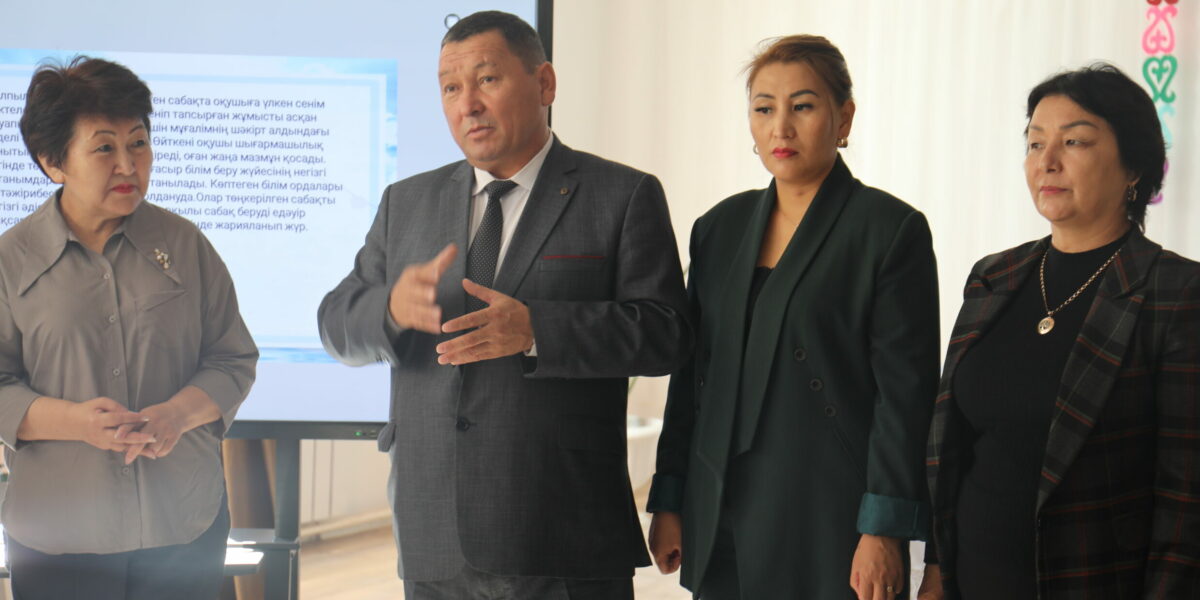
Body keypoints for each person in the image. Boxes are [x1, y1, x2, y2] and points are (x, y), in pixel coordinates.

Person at [317, 10, 690, 599]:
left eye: (486, 79)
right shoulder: (405, 202)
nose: (467, 104)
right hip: (435, 533)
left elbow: (665, 333)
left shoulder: (622, 194)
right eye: (450, 88)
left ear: (545, 84)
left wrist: (538, 329)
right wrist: (388, 309)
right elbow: (335, 323)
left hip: (562, 531)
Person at [647, 35, 940, 600]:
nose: (780, 127)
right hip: (720, 512)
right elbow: (690, 379)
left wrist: (882, 528)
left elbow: (905, 397)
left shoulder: (888, 230)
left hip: (828, 519)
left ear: (843, 118)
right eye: (764, 109)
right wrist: (671, 499)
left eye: (802, 106)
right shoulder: (719, 228)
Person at [920, 64, 1200, 599]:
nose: (1046, 161)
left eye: (1074, 141)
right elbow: (953, 445)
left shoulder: (1177, 292)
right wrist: (936, 569)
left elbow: (1186, 500)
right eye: (1034, 143)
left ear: (1134, 166)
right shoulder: (993, 277)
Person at [0, 56, 258, 600]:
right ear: (53, 162)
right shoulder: (11, 261)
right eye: (104, 148)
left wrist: (176, 415)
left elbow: (232, 359)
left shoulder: (185, 244)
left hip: (180, 522)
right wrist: (76, 423)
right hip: (58, 533)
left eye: (138, 143)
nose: (128, 164)